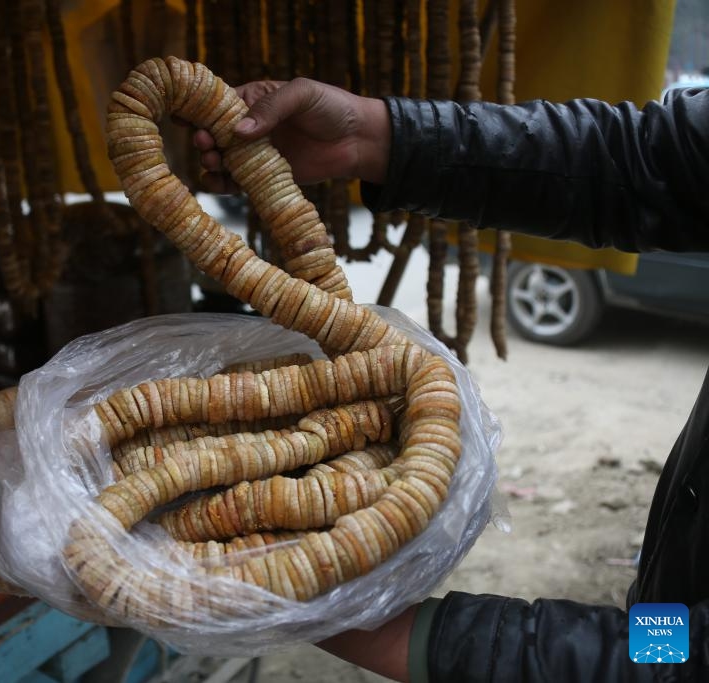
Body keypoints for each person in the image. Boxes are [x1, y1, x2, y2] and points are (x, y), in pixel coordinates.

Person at [193, 77, 709, 681]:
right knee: (663, 628)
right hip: (677, 599)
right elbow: (648, 159)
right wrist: (376, 135)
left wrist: (422, 640)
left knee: (662, 640)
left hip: (676, 637)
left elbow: (683, 662)